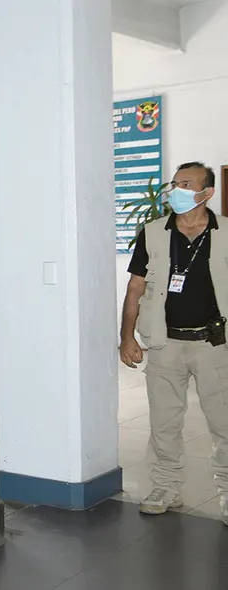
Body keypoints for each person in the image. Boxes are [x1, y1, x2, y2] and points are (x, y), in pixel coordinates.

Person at [119, 161, 228, 523]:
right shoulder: (152, 233)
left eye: (185, 184)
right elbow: (136, 288)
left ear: (206, 193)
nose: (176, 190)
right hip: (165, 345)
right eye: (174, 183)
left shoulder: (226, 232)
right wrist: (126, 337)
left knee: (224, 423)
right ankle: (166, 486)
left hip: (215, 344)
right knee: (164, 422)